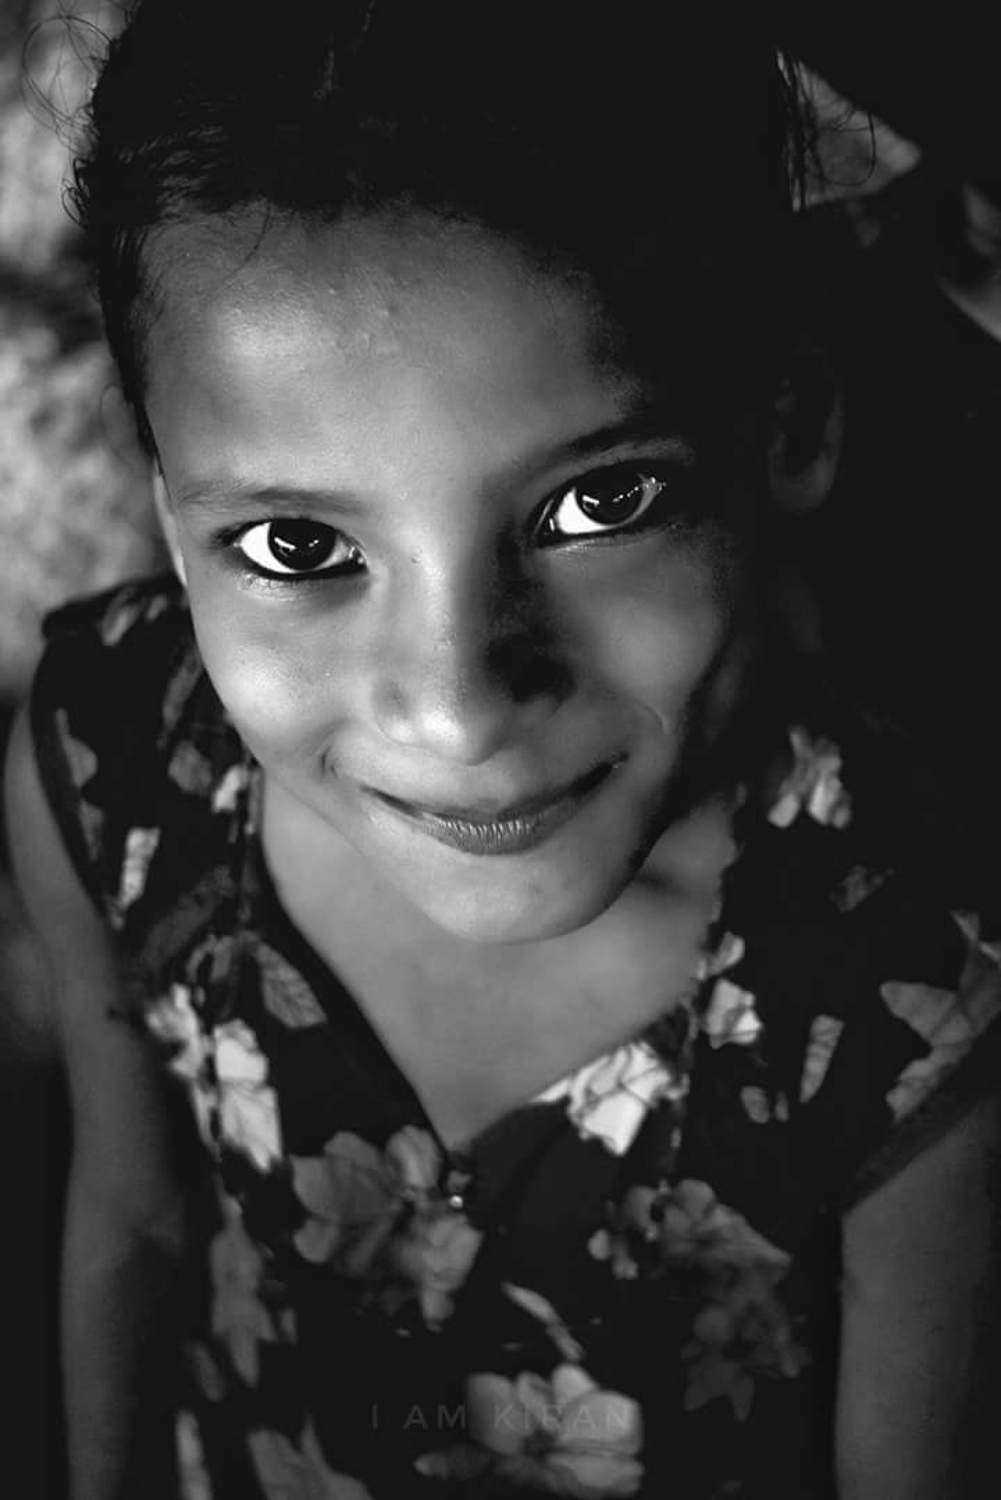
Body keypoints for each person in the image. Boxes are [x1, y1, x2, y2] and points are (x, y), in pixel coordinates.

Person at [3, 3, 1000, 1496]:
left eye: (599, 505)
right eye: (295, 545)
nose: (458, 709)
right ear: (165, 506)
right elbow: (137, 1220)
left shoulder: (907, 984)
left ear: (787, 427)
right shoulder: (115, 767)